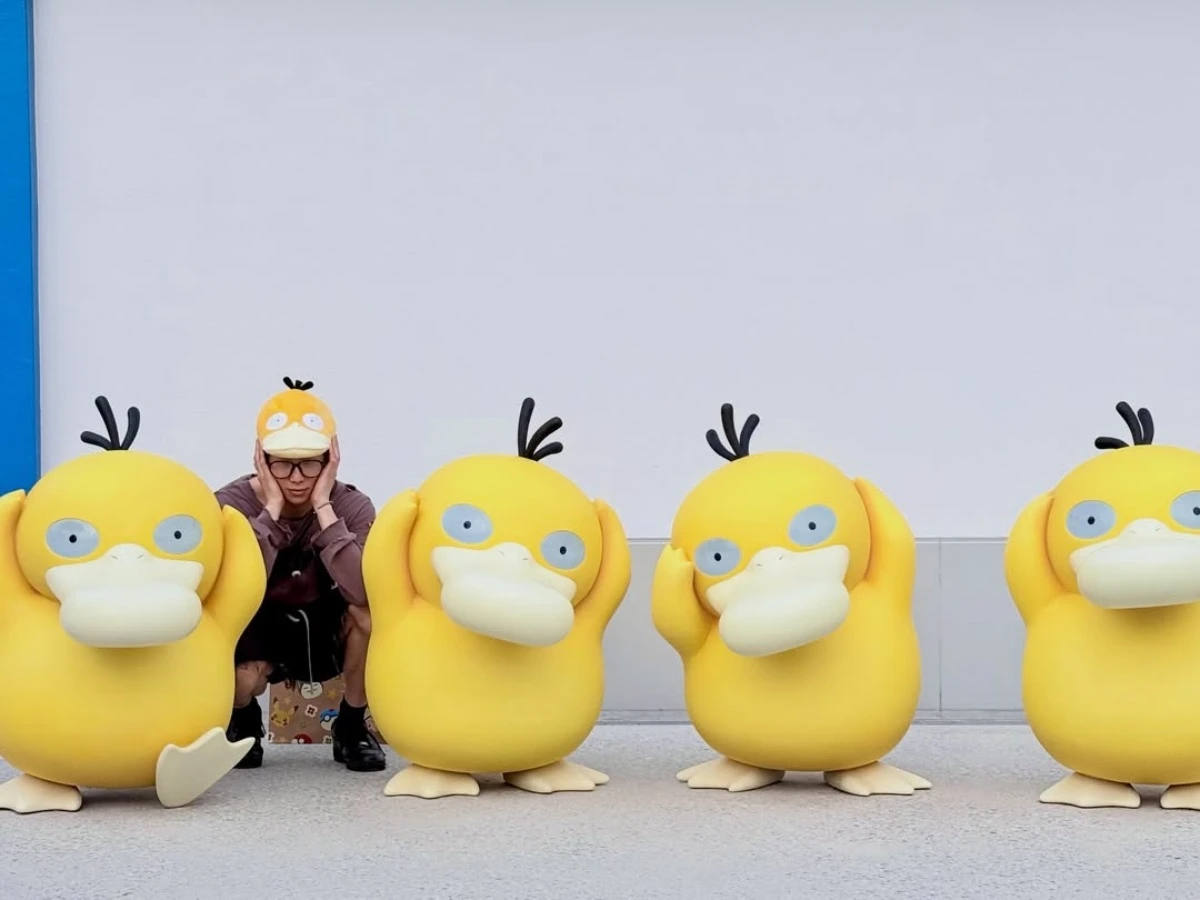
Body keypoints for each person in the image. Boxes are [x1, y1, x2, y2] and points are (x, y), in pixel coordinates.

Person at [217, 378, 385, 772]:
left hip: (324, 627)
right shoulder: (229, 504)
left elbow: (361, 591)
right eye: (282, 463)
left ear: (330, 460)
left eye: (310, 463)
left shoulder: (352, 505)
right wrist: (271, 510)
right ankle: (243, 719)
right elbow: (229, 588)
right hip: (259, 624)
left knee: (366, 614)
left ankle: (350, 727)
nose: (296, 477)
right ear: (261, 459)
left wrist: (323, 506)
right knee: (238, 676)